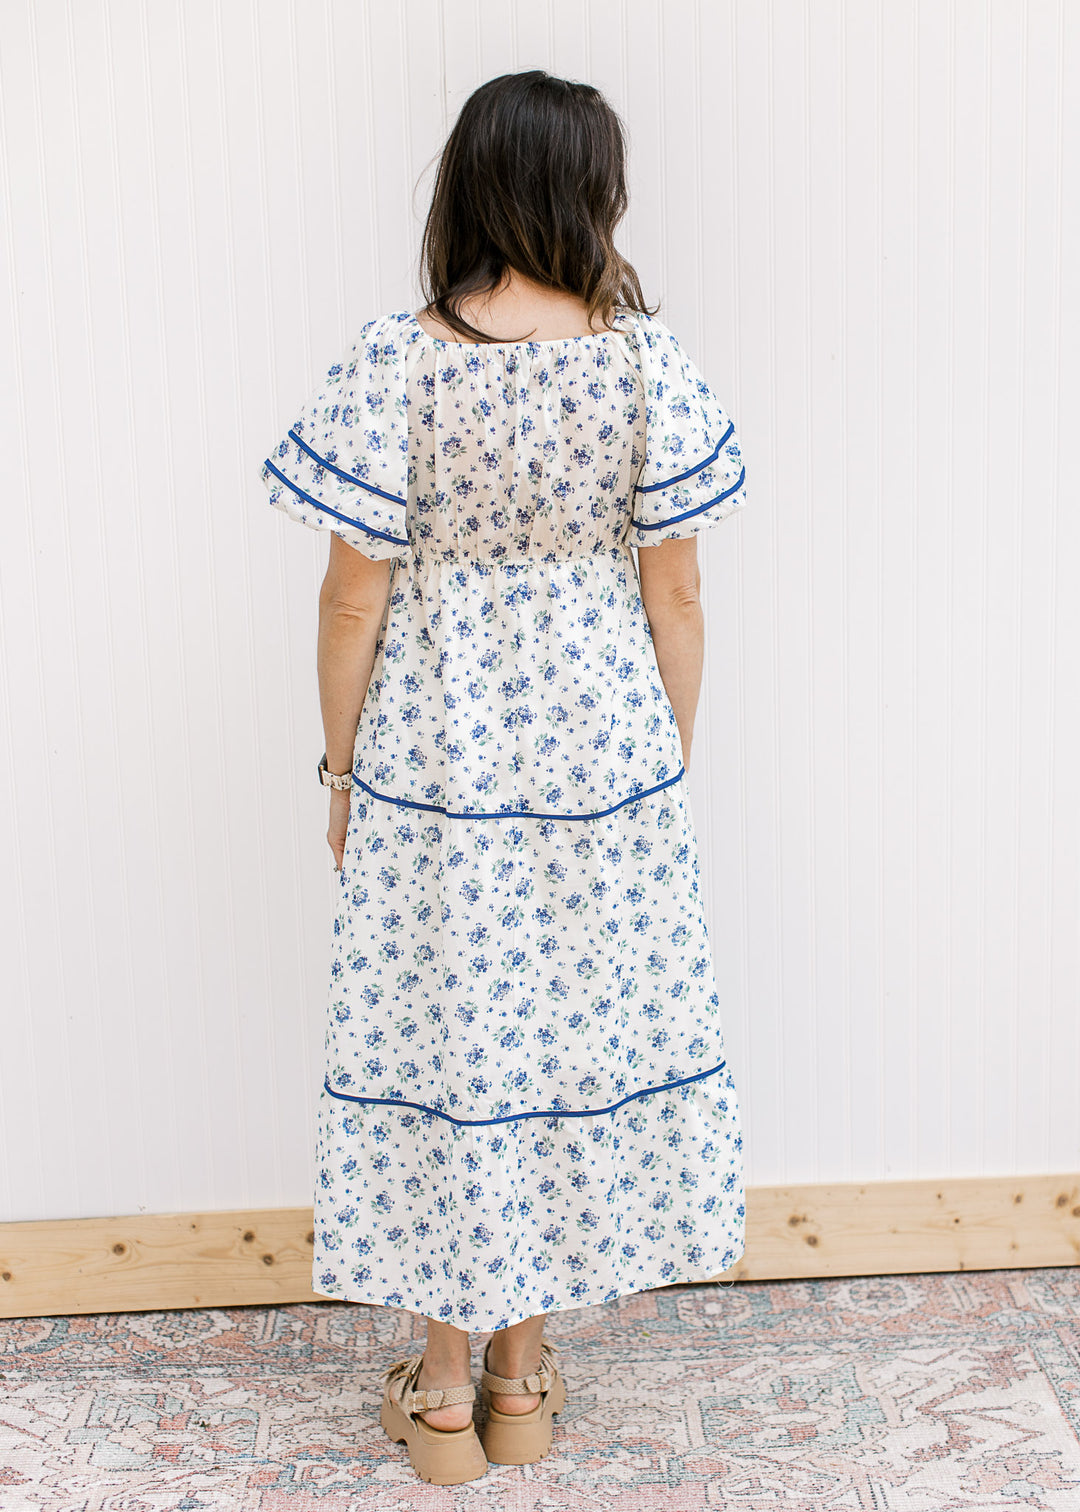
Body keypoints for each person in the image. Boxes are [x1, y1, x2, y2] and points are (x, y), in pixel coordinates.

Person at [259, 68, 748, 1487]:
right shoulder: (646, 362)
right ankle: (526, 1382)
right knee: (551, 1056)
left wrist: (343, 771)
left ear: (469, 185)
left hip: (438, 753)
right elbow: (683, 593)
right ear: (590, 192)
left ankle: (447, 1401)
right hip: (605, 754)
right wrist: (668, 758)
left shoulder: (395, 359)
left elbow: (353, 603)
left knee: (451, 1053)